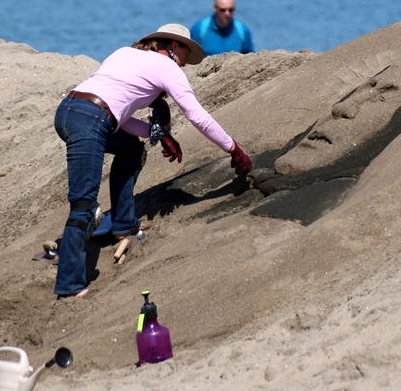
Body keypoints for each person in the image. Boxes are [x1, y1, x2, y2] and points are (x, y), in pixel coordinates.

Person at [52, 23, 253, 299]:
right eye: (186, 51)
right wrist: (233, 148)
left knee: (131, 151)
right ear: (173, 45)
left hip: (68, 111)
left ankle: (124, 226)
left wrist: (156, 133)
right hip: (90, 120)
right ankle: (69, 286)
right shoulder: (167, 67)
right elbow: (197, 115)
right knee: (84, 204)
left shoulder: (125, 53)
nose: (184, 63)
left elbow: (114, 113)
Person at [189, 0, 254, 55]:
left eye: (231, 10)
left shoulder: (242, 31)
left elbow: (250, 59)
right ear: (215, 8)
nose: (227, 13)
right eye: (223, 10)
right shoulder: (199, 29)